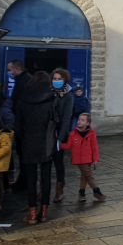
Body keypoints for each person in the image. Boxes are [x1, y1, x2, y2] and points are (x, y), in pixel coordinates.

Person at [16, 71, 56, 224]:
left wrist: (23, 137)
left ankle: (32, 212)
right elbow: (55, 121)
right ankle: (44, 211)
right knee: (46, 177)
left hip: (28, 140)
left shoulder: (23, 97)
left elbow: (17, 124)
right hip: (46, 141)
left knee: (31, 179)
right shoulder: (52, 98)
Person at [62, 113, 105, 202]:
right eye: (79, 119)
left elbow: (94, 146)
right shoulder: (73, 134)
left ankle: (82, 194)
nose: (79, 122)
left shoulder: (91, 133)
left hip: (89, 159)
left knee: (84, 176)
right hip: (79, 160)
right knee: (89, 176)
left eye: (82, 120)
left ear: (88, 123)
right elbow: (68, 146)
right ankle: (96, 191)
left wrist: (96, 158)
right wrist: (59, 145)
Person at [7, 60, 31, 190]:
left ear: (17, 69)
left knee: (24, 154)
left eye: (10, 70)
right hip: (20, 122)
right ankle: (23, 180)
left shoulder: (26, 81)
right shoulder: (20, 80)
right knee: (21, 154)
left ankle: (24, 181)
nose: (9, 73)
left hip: (24, 124)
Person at [51, 68, 74, 204]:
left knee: (58, 162)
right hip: (49, 130)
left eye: (59, 79)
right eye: (55, 79)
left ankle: (60, 189)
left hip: (60, 130)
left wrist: (61, 138)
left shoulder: (68, 95)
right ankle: (43, 189)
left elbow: (67, 118)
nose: (56, 81)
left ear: (65, 80)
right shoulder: (49, 92)